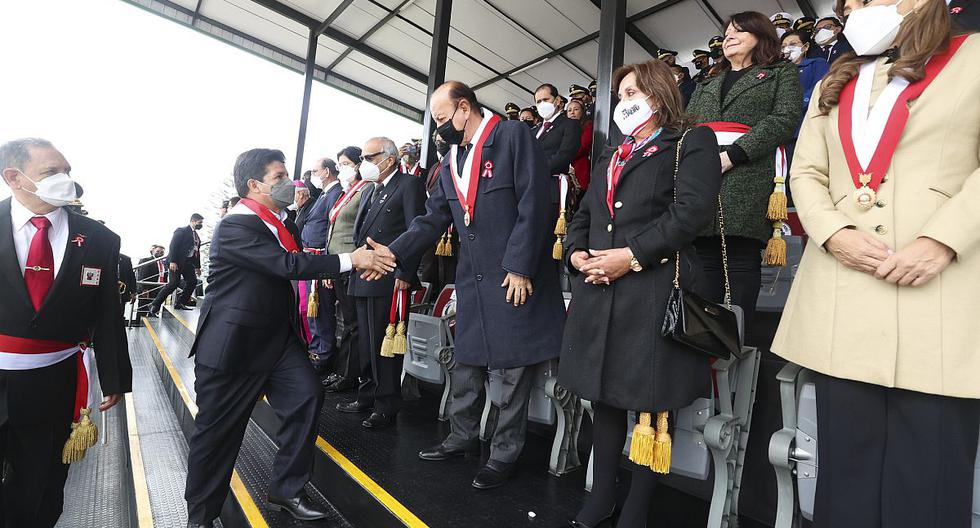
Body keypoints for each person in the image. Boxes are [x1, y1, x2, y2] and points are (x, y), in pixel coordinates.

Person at [773, 1, 980, 525]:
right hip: (847, 296)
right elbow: (807, 172)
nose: (855, 7)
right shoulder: (836, 81)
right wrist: (833, 231)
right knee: (845, 475)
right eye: (850, 5)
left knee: (929, 483)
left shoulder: (973, 57)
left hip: (941, 296)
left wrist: (944, 238)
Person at [182, 148, 394, 527]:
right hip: (234, 348)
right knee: (217, 438)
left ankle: (286, 490)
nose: (289, 183)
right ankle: (201, 515)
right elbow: (287, 265)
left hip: (278, 342)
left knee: (308, 397)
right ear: (254, 185)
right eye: (279, 177)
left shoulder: (282, 223)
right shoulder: (237, 224)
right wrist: (351, 259)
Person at [376, 80, 565, 490]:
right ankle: (462, 437)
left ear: (465, 108)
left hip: (515, 276)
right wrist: (393, 252)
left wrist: (520, 266)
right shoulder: (451, 160)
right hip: (473, 281)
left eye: (443, 118)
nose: (440, 127)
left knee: (514, 370)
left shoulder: (511, 136)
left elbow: (536, 202)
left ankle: (503, 453)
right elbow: (432, 219)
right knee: (467, 361)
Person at [559, 61, 722, 528]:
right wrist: (576, 255)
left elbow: (691, 214)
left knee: (653, 404)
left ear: (656, 94)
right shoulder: (613, 153)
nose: (623, 101)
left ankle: (637, 506)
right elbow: (584, 215)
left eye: (631, 91)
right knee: (604, 397)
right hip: (600, 288)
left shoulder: (692, 141)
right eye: (620, 93)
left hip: (654, 286)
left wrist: (628, 256)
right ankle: (603, 496)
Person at [0, 138, 132, 528]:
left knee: (39, 484)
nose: (65, 180)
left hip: (51, 381)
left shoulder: (99, 240)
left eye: (67, 171)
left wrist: (114, 376)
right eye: (51, 172)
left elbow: (108, 314)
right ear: (14, 178)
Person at [686, 11, 802, 328]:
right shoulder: (707, 82)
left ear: (760, 36)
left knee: (738, 255)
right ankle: (703, 342)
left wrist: (734, 155)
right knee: (704, 255)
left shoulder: (780, 73)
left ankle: (734, 341)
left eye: (738, 31)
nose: (729, 36)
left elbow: (784, 118)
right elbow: (686, 126)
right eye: (726, 32)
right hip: (701, 174)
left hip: (747, 173)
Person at [337, 137, 427, 429]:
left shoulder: (408, 185)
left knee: (384, 345)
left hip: (389, 277)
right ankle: (367, 395)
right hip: (362, 275)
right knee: (365, 341)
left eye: (369, 157)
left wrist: (406, 274)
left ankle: (386, 403)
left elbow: (418, 230)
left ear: (389, 159)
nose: (364, 164)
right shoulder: (368, 191)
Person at [323, 146, 366, 393]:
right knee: (346, 322)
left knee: (353, 323)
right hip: (337, 265)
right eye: (339, 164)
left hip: (352, 263)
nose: (342, 169)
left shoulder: (365, 190)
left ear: (358, 165)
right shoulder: (346, 193)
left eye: (346, 163)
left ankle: (349, 375)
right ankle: (342, 371)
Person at [301, 157, 344, 377]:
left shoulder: (335, 193)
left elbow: (330, 230)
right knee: (314, 310)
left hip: (321, 259)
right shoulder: (325, 194)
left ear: (326, 171)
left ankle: (323, 354)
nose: (314, 175)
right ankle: (317, 349)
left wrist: (327, 265)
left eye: (316, 171)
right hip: (311, 259)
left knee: (322, 310)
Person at [532, 83, 581, 245]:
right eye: (538, 102)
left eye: (545, 99)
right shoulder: (534, 131)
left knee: (548, 239)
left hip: (552, 187)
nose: (542, 105)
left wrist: (534, 171)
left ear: (558, 100)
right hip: (530, 188)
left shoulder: (570, 124)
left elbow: (565, 154)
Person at [149, 213, 204, 314]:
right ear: (193, 221)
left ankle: (180, 303)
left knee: (192, 281)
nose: (201, 224)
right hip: (176, 262)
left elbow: (197, 252)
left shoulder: (196, 236)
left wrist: (198, 267)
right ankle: (155, 304)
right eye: (199, 222)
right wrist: (173, 261)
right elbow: (173, 246)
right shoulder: (181, 231)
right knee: (173, 283)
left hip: (188, 263)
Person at [782, 30, 830, 140]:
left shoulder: (817, 63)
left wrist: (793, 107)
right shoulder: (779, 70)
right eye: (783, 46)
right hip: (787, 128)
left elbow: (819, 87)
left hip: (810, 121)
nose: (787, 49)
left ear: (805, 47)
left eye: (793, 44)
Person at [565, 99, 593, 194]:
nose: (572, 112)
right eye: (569, 110)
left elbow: (583, 146)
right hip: (565, 170)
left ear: (582, 111)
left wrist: (563, 155)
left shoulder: (587, 126)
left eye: (576, 109)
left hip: (580, 169)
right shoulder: (564, 128)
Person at [137, 244, 167, 314]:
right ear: (152, 251)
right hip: (148, 288)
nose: (160, 253)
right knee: (143, 307)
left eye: (162, 252)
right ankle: (138, 323)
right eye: (158, 251)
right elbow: (142, 276)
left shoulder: (164, 263)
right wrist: (144, 289)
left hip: (159, 288)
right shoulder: (146, 260)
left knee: (155, 307)